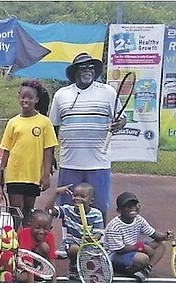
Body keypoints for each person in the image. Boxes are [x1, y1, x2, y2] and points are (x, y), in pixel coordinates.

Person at [49, 52, 126, 215]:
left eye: (91, 67)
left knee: (98, 209)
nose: (87, 71)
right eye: (82, 67)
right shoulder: (61, 95)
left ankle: (99, 240)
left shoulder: (108, 92)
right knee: (68, 209)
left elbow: (122, 119)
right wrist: (50, 157)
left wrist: (119, 124)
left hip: (99, 164)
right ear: (75, 71)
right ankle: (69, 240)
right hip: (69, 163)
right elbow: (53, 128)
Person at [0, 80, 58, 226]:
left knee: (28, 210)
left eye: (30, 97)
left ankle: (25, 242)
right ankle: (12, 242)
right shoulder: (13, 122)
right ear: (19, 97)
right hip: (15, 174)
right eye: (23, 97)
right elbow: (6, 150)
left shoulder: (44, 122)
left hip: (32, 175)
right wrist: (0, 172)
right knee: (15, 210)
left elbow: (48, 151)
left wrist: (45, 176)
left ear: (36, 100)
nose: (26, 100)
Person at [105, 192, 172, 282]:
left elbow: (153, 234)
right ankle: (124, 270)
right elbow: (119, 250)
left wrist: (165, 236)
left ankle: (146, 270)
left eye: (135, 205)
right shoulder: (114, 226)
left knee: (161, 245)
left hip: (132, 248)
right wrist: (142, 247)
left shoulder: (139, 219)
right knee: (143, 259)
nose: (132, 208)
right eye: (127, 206)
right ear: (119, 210)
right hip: (115, 255)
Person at [44, 183, 104, 279]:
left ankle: (87, 263)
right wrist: (56, 193)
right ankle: (73, 266)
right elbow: (48, 210)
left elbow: (99, 233)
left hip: (90, 247)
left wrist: (93, 238)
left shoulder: (96, 214)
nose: (77, 198)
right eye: (75, 195)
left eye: (83, 196)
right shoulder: (67, 210)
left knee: (97, 274)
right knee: (74, 249)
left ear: (91, 200)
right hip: (73, 246)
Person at [16, 209, 66, 283]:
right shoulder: (25, 234)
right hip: (18, 260)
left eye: (45, 228)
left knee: (45, 247)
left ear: (50, 228)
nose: (41, 231)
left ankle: (36, 273)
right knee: (21, 278)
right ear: (30, 225)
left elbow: (52, 260)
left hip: (32, 261)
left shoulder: (50, 236)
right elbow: (28, 260)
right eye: (37, 227)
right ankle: (27, 276)